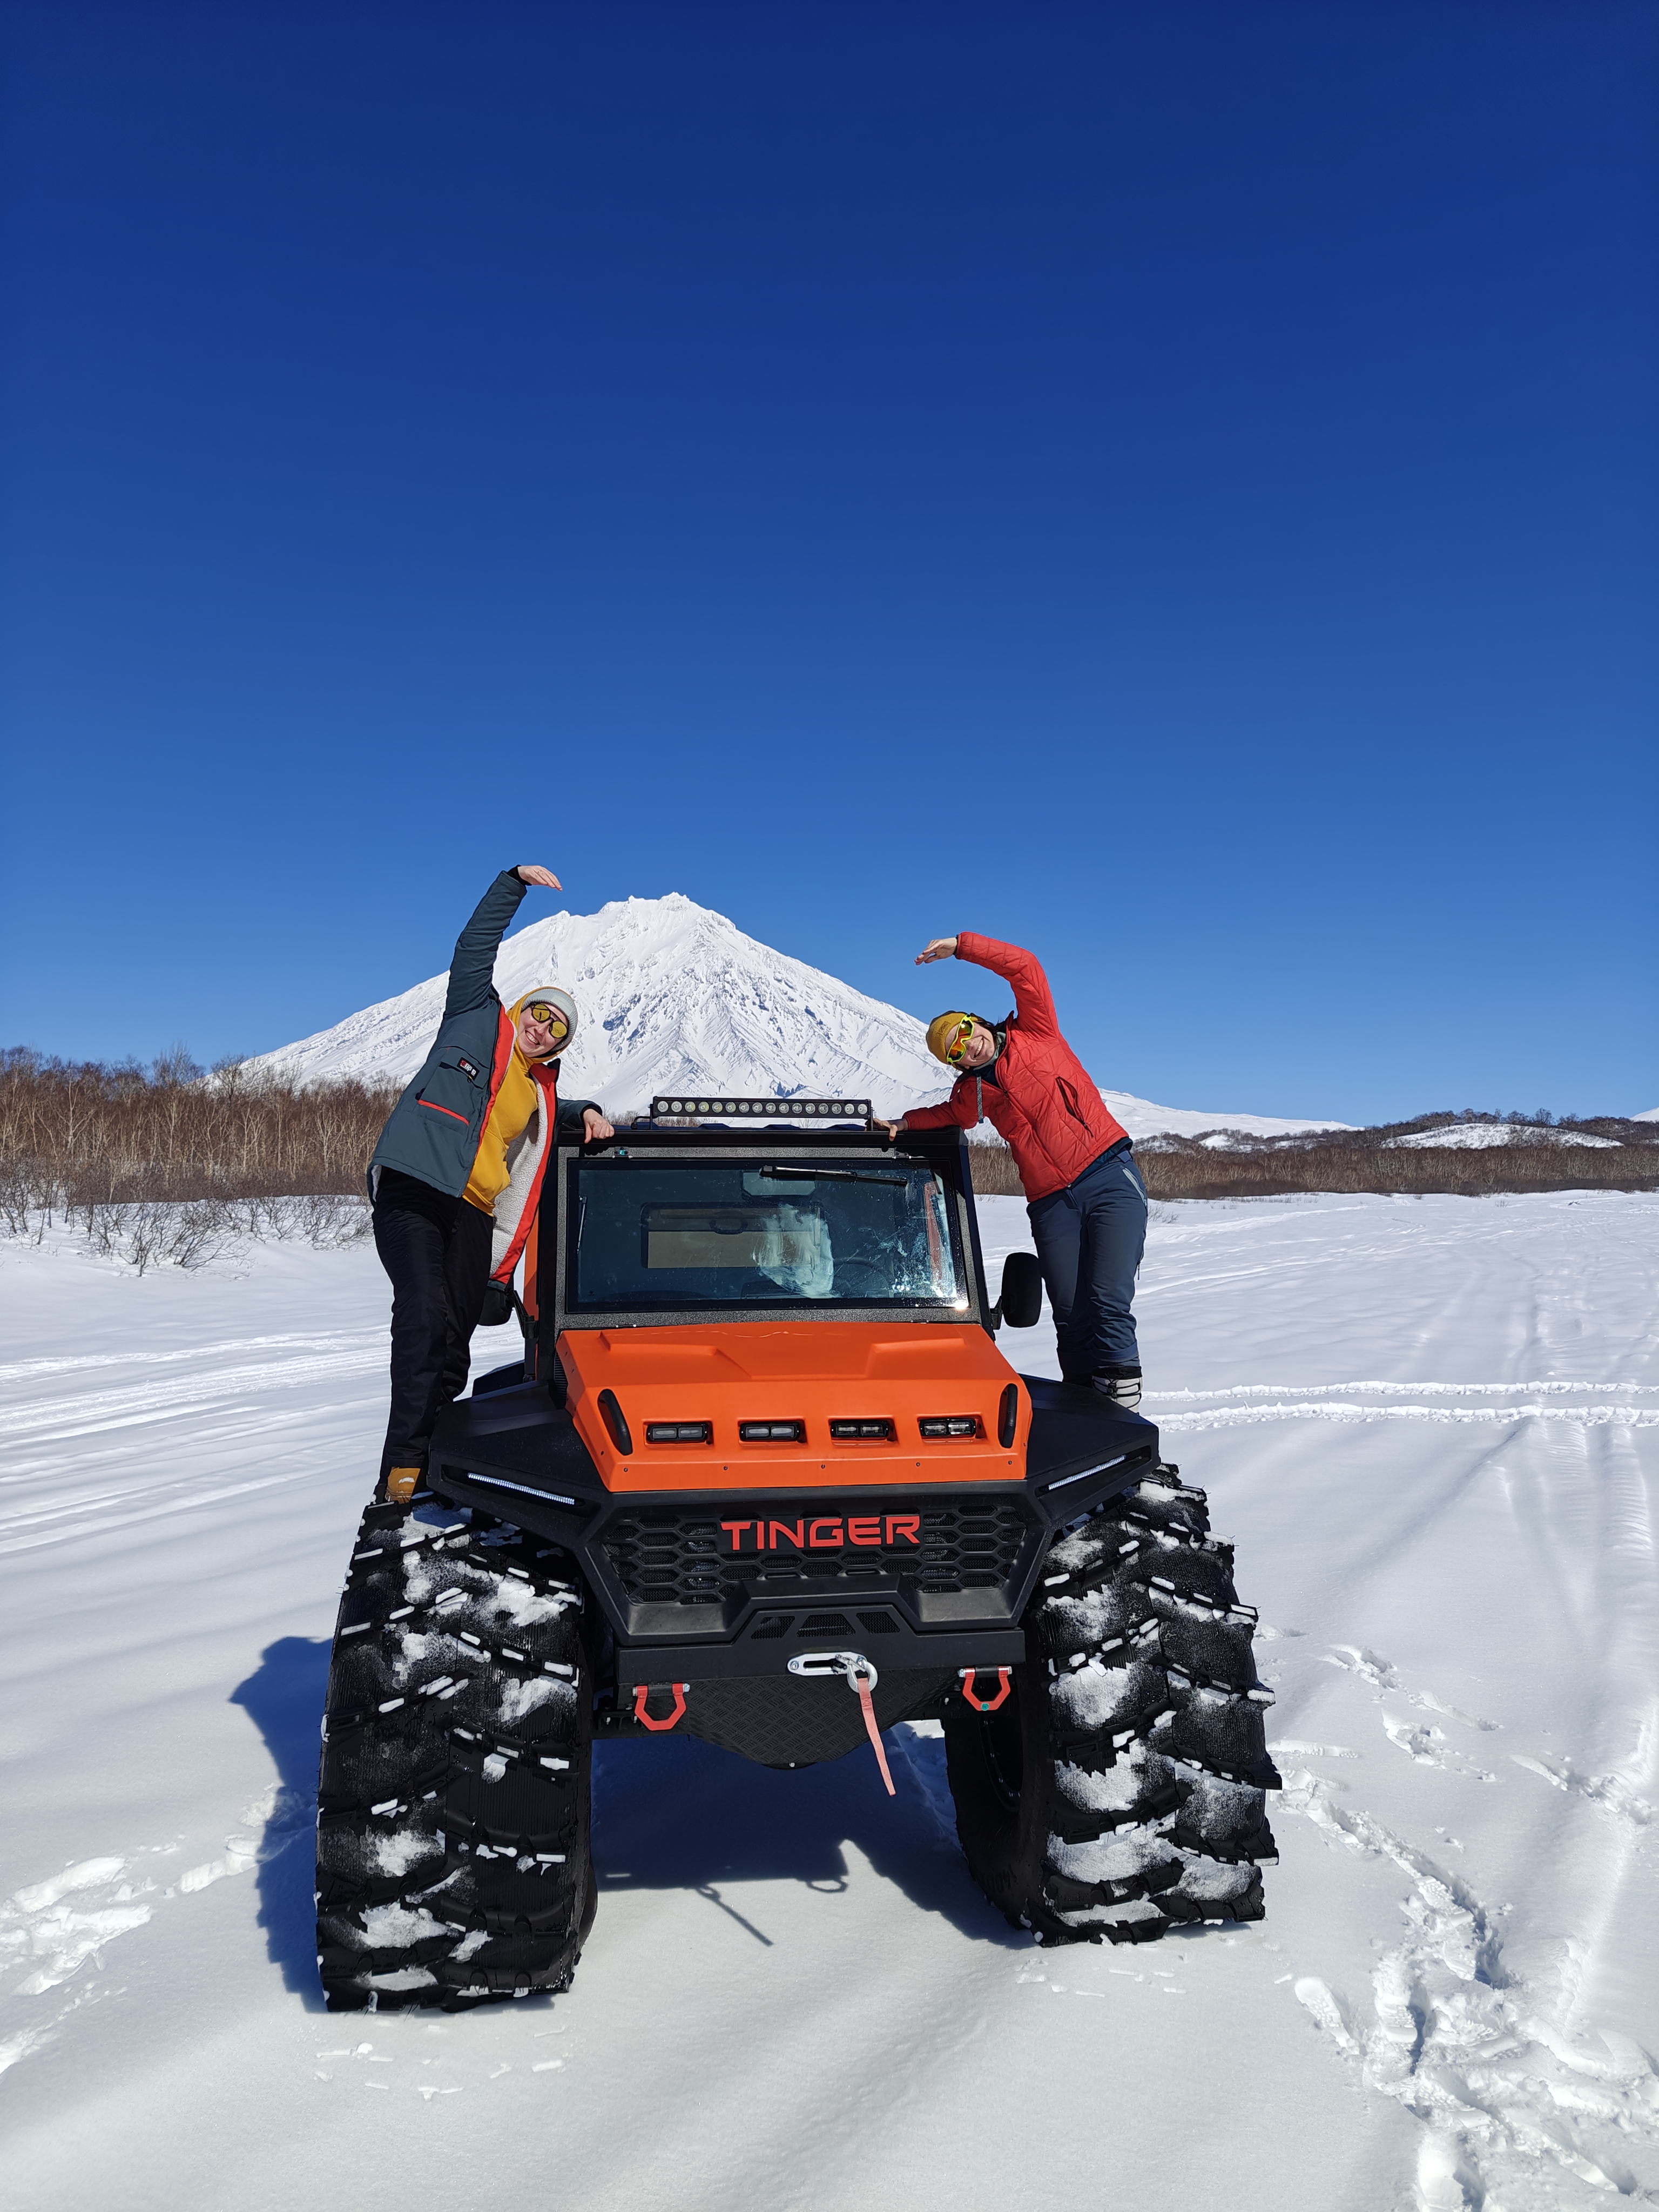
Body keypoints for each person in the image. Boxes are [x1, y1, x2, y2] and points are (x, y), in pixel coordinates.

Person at [368, 864, 615, 1500]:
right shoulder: (475, 1016)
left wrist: (582, 1110)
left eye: (557, 1029)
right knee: (424, 1315)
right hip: (415, 1190)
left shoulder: (540, 1088)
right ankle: (400, 1470)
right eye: (540, 1013)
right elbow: (472, 946)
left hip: (474, 1212)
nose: (543, 1028)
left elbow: (541, 1122)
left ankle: (432, 1461)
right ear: (522, 1007)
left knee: (456, 1341)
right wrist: (512, 884)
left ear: (558, 1046)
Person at [871, 933, 1148, 1408]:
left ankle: (1124, 1412)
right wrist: (906, 1124)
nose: (969, 1046)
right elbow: (948, 1116)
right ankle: (1086, 1412)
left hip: (1107, 1176)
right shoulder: (974, 1094)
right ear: (955, 1064)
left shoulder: (1036, 1031)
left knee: (1107, 1300)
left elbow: (1025, 967)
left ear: (976, 1021)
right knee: (1070, 1315)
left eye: (965, 1032)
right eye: (955, 1051)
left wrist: (962, 946)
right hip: (1051, 1203)